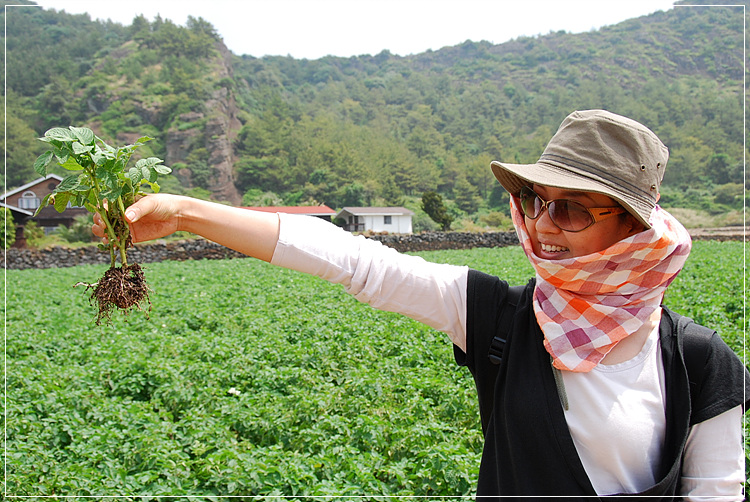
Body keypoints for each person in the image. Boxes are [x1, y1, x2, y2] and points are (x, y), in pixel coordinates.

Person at [93, 109, 749, 498]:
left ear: (631, 226)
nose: (544, 224)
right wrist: (184, 213)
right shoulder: (499, 318)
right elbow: (356, 261)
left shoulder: (696, 361)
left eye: (572, 207)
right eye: (533, 200)